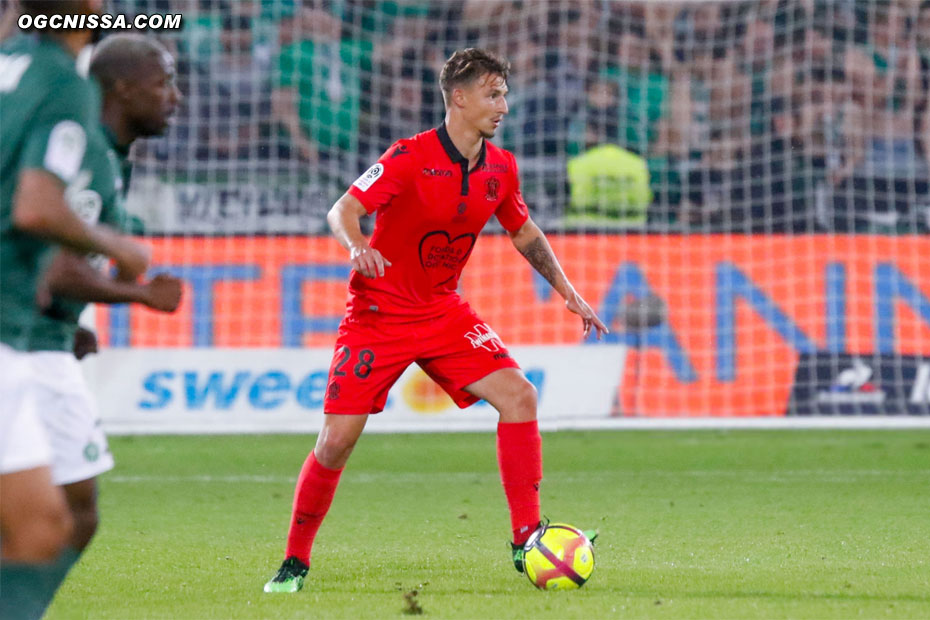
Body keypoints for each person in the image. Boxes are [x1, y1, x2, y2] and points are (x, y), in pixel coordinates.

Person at [264, 48, 608, 594]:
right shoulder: (407, 156)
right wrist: (357, 247)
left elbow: (524, 233)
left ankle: (525, 540)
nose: (504, 105)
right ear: (459, 98)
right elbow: (343, 210)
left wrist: (569, 292)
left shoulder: (502, 167)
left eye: (505, 93)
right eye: (493, 94)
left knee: (519, 396)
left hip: (444, 311)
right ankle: (294, 562)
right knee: (336, 442)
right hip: (379, 316)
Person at [18, 33, 184, 618]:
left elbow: (46, 264)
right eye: (163, 82)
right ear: (121, 88)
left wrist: (67, 317)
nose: (176, 97)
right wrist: (139, 294)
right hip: (29, 349)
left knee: (55, 512)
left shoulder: (107, 153)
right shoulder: (87, 148)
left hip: (42, 335)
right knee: (72, 512)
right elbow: (61, 266)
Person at [0, 2, 150, 619]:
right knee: (41, 533)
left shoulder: (11, 63)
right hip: (10, 334)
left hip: (21, 325)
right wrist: (124, 249)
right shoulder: (63, 80)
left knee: (43, 527)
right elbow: (36, 207)